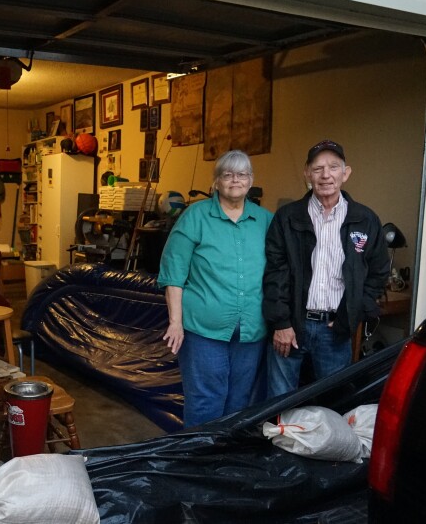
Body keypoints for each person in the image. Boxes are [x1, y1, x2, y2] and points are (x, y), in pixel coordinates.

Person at [262, 139, 389, 398]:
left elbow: (378, 271)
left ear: (346, 173)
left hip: (336, 329)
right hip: (291, 327)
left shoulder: (365, 219)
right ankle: (275, 441)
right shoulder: (288, 217)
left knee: (332, 404)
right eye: (317, 168)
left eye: (333, 167)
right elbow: (275, 271)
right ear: (307, 174)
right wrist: (281, 322)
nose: (326, 175)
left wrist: (352, 313)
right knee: (278, 404)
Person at [157, 150, 273, 427]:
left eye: (242, 174)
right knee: (206, 400)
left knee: (240, 400)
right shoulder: (195, 216)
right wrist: (175, 322)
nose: (235, 180)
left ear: (251, 180)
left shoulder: (266, 220)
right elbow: (174, 272)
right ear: (216, 182)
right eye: (227, 174)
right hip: (203, 330)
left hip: (252, 329)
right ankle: (199, 461)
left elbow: (280, 271)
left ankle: (226, 461)